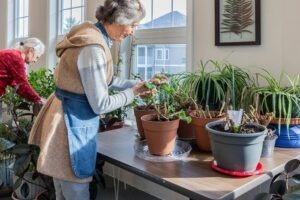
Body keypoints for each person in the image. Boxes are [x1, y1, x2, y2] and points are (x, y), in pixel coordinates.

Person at [28, 0, 148, 199]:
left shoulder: (91, 33)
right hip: (70, 124)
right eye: (133, 25)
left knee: (62, 190)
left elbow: (103, 79)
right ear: (119, 19)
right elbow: (101, 104)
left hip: (62, 115)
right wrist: (133, 94)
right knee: (76, 191)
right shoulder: (92, 48)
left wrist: (133, 85)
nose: (132, 31)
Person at [0, 37, 45, 104]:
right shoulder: (16, 57)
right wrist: (39, 100)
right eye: (37, 57)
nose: (35, 61)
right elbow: (22, 84)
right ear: (31, 51)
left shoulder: (13, 54)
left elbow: (17, 85)